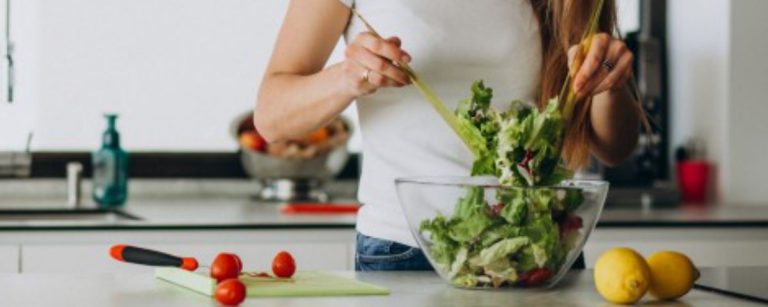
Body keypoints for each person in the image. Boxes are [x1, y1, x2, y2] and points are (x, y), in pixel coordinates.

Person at [256, 0, 641, 271]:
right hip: (409, 250)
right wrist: (346, 77)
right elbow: (272, 116)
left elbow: (614, 147)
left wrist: (609, 81)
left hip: (542, 248)